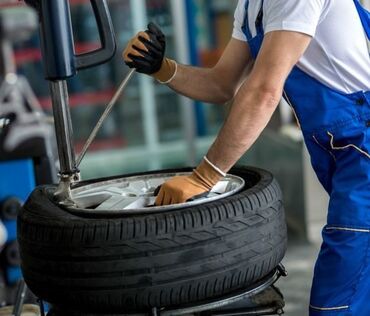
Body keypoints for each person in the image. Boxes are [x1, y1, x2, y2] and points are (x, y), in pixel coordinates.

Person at [123, 0, 370, 314]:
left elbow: (264, 90)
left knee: (337, 302)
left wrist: (204, 177)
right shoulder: (251, 6)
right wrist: (162, 68)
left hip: (362, 149)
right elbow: (221, 84)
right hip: (344, 152)